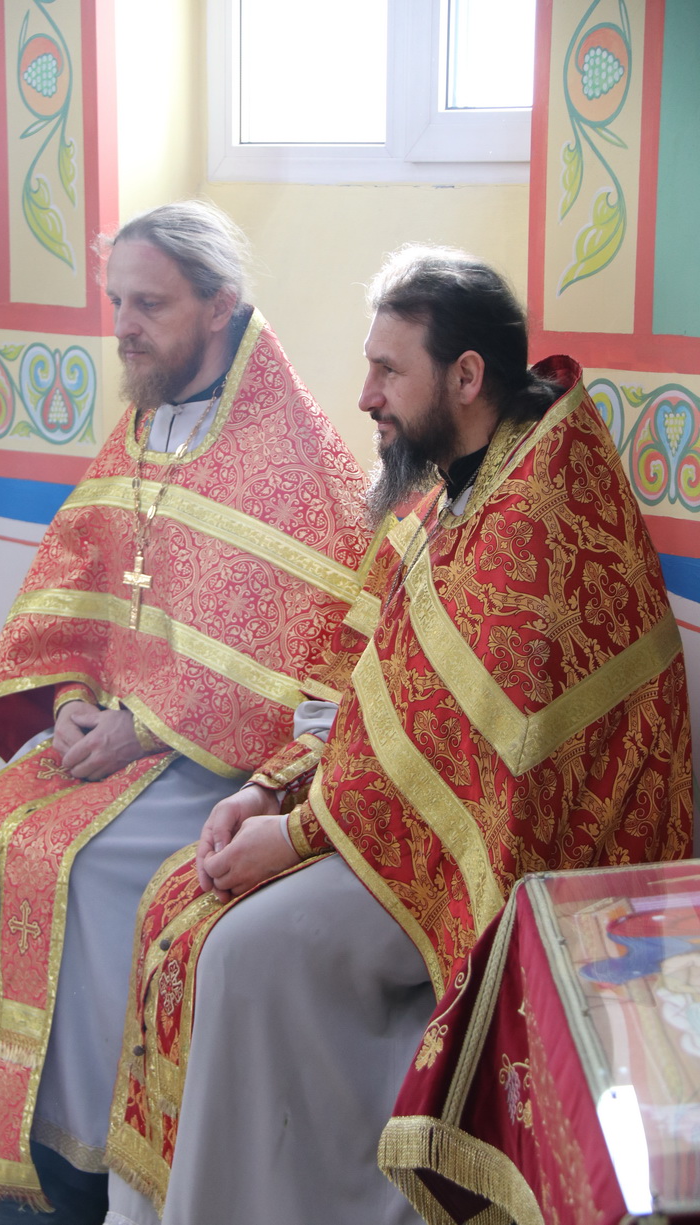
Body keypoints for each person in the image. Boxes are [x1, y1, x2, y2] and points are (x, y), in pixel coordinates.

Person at [104, 245, 693, 1225]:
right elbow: (367, 684)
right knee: (179, 901)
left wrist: (293, 835)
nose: (367, 394)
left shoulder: (540, 508)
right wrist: (267, 788)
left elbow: (461, 754)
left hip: (503, 871)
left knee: (247, 950)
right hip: (406, 823)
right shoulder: (456, 483)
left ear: (466, 376)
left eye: (388, 369)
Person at [0, 202, 373, 1225]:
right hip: (109, 732)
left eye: (149, 304)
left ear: (219, 305)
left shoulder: (295, 452)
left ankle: (75, 1159)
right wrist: (70, 699)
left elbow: (301, 652)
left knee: (85, 866)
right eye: (117, 302)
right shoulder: (146, 419)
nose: (124, 327)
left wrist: (149, 725)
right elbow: (79, 578)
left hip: (216, 764)